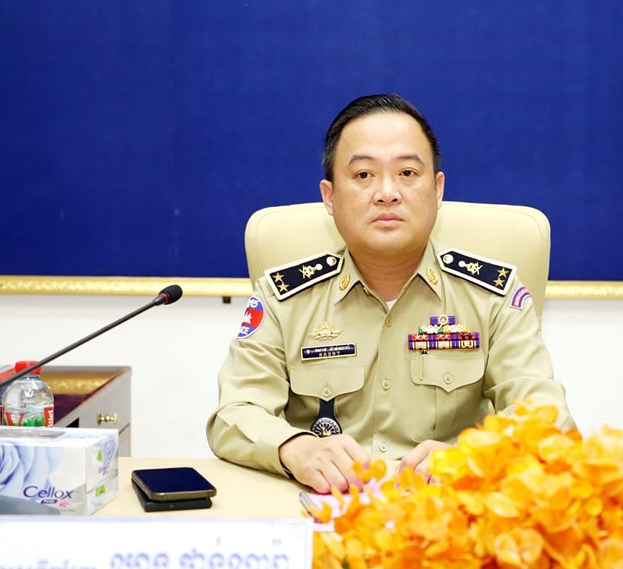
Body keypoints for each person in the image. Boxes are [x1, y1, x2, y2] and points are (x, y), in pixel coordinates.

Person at [206, 93, 575, 493]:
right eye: (364, 175)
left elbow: (549, 419)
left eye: (407, 173)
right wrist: (294, 448)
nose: (386, 192)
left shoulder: (493, 296)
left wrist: (471, 455)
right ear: (330, 197)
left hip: (447, 511)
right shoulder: (284, 299)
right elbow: (234, 413)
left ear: (438, 190)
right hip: (324, 508)